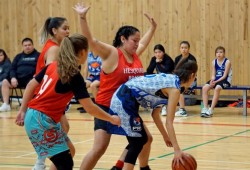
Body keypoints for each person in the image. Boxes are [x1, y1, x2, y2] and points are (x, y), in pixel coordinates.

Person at [15, 34, 121, 170]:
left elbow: (31, 85)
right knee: (65, 163)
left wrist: (23, 110)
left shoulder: (53, 65)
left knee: (69, 152)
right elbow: (89, 107)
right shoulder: (73, 74)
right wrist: (111, 118)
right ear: (82, 52)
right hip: (41, 120)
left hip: (36, 116)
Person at [73, 3, 157, 170]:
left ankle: (137, 167)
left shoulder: (134, 54)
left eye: (138, 41)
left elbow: (145, 44)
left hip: (127, 109)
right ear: (123, 39)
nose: (137, 44)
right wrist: (82, 18)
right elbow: (91, 41)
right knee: (99, 149)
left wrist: (153, 28)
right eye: (134, 40)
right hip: (107, 108)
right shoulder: (112, 54)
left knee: (145, 139)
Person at [107, 60, 198, 169]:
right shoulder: (174, 90)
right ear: (192, 75)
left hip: (126, 98)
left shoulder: (171, 81)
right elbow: (169, 122)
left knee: (146, 139)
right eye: (195, 76)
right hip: (124, 100)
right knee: (137, 142)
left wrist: (165, 136)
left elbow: (155, 115)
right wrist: (177, 150)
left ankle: (132, 168)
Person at [32, 17, 73, 170]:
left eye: (69, 28)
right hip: (45, 98)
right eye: (65, 28)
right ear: (54, 31)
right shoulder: (54, 49)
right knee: (63, 130)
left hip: (44, 97)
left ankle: (42, 161)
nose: (68, 31)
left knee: (64, 127)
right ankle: (40, 161)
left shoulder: (54, 46)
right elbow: (51, 74)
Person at [0, 38, 40, 112]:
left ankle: (27, 104)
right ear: (23, 46)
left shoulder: (38, 55)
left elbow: (41, 69)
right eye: (25, 45)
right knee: (5, 81)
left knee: (31, 82)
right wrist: (13, 78)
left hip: (31, 79)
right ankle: (6, 104)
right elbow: (12, 68)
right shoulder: (18, 56)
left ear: (33, 45)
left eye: (29, 45)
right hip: (18, 79)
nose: (27, 47)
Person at [201, 46, 232, 118]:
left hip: (225, 80)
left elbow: (225, 75)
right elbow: (213, 74)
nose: (219, 54)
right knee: (205, 88)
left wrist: (216, 82)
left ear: (224, 54)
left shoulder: (227, 62)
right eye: (217, 52)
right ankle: (205, 108)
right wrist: (212, 80)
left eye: (221, 52)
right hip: (216, 80)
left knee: (217, 88)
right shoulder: (214, 62)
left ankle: (211, 110)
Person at [146, 44, 174, 116]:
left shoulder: (168, 59)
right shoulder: (154, 59)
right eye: (156, 52)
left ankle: (164, 106)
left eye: (159, 52)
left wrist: (159, 63)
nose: (157, 54)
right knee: (145, 74)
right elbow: (149, 70)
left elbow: (165, 71)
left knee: (162, 83)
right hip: (159, 78)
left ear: (163, 52)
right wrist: (155, 62)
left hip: (169, 78)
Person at [174, 41, 197, 117]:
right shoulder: (177, 58)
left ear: (189, 49)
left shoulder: (192, 59)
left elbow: (193, 73)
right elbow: (175, 71)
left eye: (185, 48)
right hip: (180, 79)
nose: (184, 49)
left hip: (190, 80)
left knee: (179, 89)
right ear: (180, 49)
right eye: (182, 48)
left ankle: (182, 110)